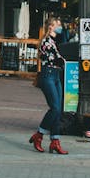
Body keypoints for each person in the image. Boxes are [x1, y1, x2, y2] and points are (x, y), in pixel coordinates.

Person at [30, 15, 68, 154]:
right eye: (58, 24)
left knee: (58, 110)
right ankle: (39, 135)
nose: (60, 27)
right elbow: (56, 59)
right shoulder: (46, 42)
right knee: (55, 108)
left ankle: (55, 141)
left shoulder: (54, 40)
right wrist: (62, 61)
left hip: (56, 76)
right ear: (51, 26)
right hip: (48, 75)